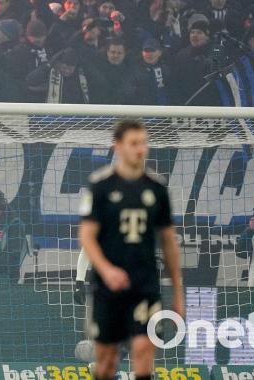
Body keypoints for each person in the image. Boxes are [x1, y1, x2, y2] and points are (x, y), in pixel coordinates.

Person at [78, 120, 184, 380]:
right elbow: (87, 236)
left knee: (143, 353)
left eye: (143, 143)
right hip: (107, 285)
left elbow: (168, 241)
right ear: (118, 146)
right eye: (133, 143)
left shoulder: (157, 188)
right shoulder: (101, 185)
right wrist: (105, 269)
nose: (140, 149)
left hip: (144, 283)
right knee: (106, 361)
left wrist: (178, 291)